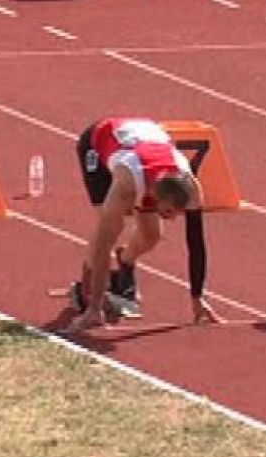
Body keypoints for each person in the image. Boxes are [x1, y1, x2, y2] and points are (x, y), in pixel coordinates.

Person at [67, 117, 217, 331]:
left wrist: (197, 297)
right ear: (155, 196)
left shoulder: (191, 188)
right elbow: (103, 244)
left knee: (152, 236)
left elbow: (196, 244)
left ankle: (125, 262)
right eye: (167, 212)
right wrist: (94, 309)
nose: (174, 218)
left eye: (177, 213)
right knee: (111, 227)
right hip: (98, 144)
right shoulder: (127, 182)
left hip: (144, 141)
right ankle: (86, 287)